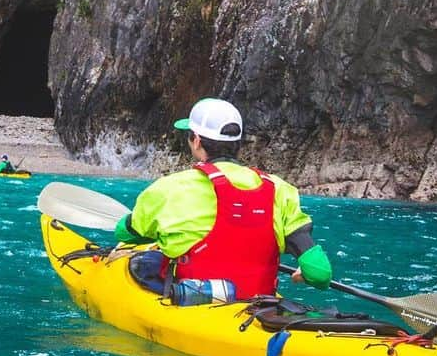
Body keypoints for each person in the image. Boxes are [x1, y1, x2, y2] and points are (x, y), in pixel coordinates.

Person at [113, 97, 332, 301]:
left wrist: (128, 228)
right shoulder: (279, 189)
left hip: (194, 301)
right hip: (259, 303)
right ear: (237, 143)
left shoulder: (171, 187)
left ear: (196, 141)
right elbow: (320, 273)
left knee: (142, 263)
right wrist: (306, 273)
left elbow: (127, 232)